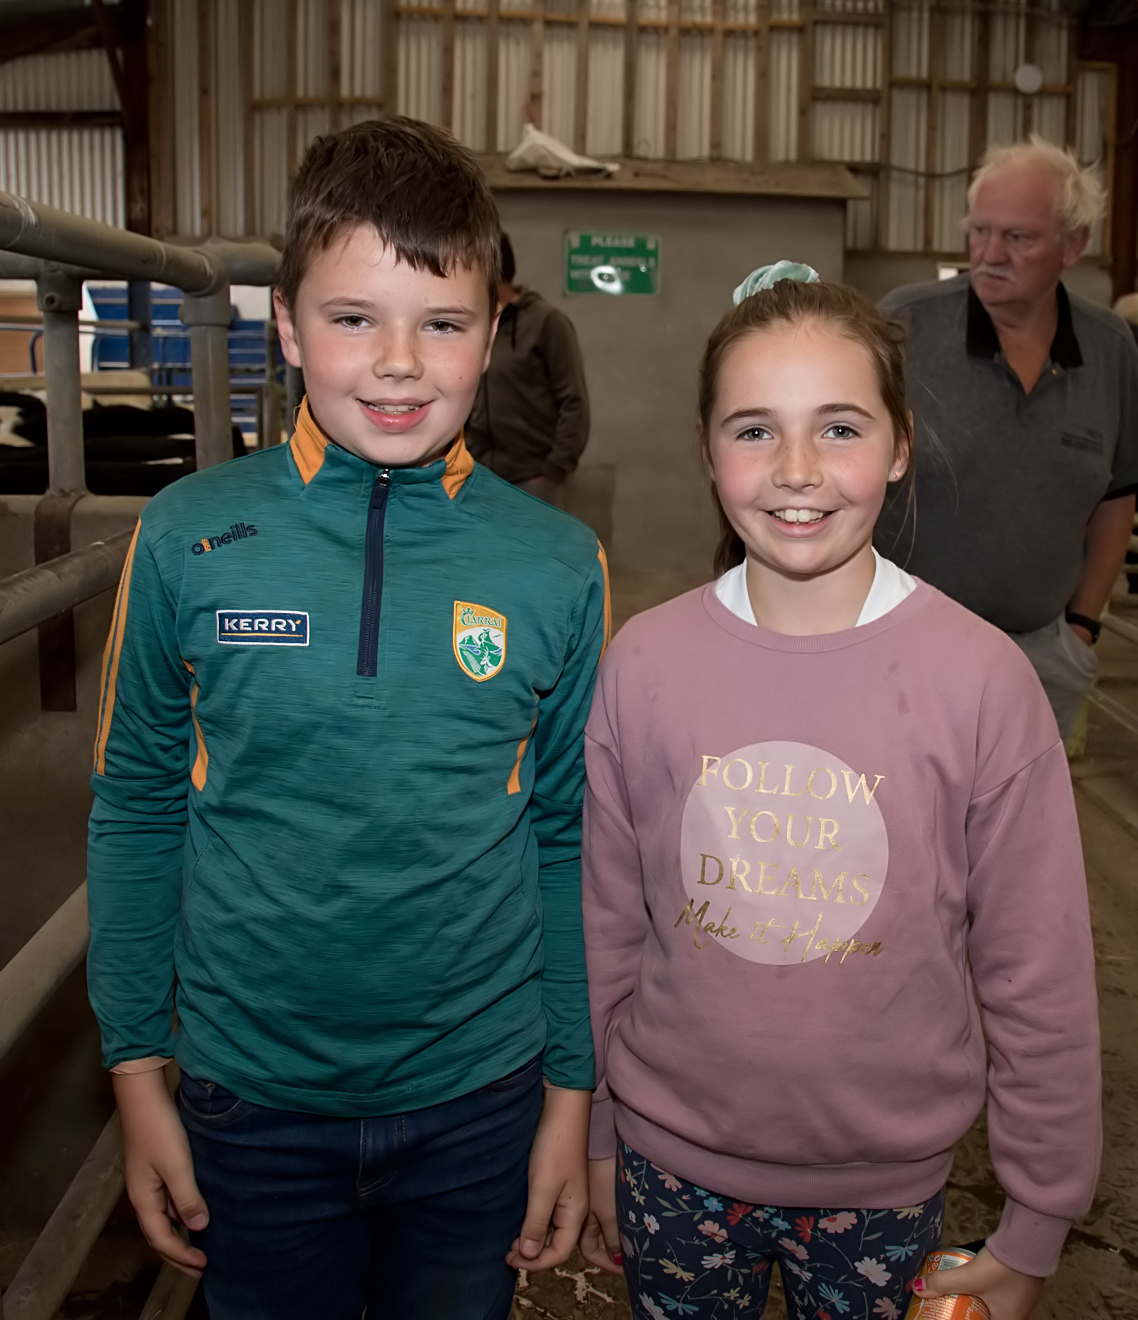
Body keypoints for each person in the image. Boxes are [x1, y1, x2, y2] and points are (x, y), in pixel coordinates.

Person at [85, 117, 611, 1320]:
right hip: (247, 1096)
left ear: (495, 331)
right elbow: (138, 809)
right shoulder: (187, 538)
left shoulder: (556, 565)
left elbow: (570, 836)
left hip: (481, 1098)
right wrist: (136, 1070)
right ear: (285, 324)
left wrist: (569, 1095)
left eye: (443, 324)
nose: (399, 364)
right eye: (353, 318)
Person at [577, 265, 1100, 1320]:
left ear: (900, 445)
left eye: (840, 428)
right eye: (754, 430)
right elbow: (607, 926)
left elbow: (1037, 972)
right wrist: (594, 1132)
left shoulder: (981, 681)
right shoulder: (644, 665)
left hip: (883, 1194)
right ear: (706, 447)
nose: (797, 470)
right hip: (667, 1169)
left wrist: (1040, 1211)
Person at [877, 135, 1138, 741]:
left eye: (1018, 238)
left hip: (1041, 659)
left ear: (1074, 245)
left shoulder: (1110, 349)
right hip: (903, 652)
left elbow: (1117, 496)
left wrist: (1081, 628)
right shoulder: (903, 325)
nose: (990, 255)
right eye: (980, 231)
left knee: (1023, 803)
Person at [464, 232, 590, 506]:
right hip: (477, 478)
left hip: (532, 480)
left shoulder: (546, 322)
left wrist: (553, 470)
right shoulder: (471, 324)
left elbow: (573, 401)